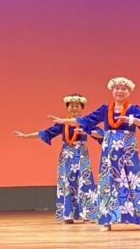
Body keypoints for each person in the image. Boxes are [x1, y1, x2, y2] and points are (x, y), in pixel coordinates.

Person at [50, 76, 140, 231]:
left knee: (134, 180)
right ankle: (107, 221)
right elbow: (85, 120)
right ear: (112, 90)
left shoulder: (134, 109)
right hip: (109, 151)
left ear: (129, 91)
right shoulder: (105, 109)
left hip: (128, 151)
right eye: (117, 88)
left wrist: (132, 120)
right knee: (108, 182)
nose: (120, 91)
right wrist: (63, 121)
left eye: (123, 89)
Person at [14, 94, 100, 224]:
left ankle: (88, 213)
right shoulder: (62, 124)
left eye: (77, 106)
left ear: (82, 108)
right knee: (66, 182)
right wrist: (26, 136)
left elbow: (100, 133)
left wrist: (89, 132)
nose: (74, 108)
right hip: (66, 155)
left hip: (82, 154)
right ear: (67, 108)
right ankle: (68, 214)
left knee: (85, 181)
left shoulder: (85, 122)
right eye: (71, 106)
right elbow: (46, 133)